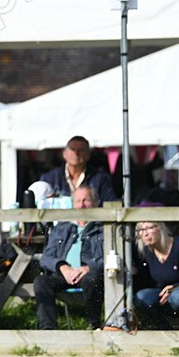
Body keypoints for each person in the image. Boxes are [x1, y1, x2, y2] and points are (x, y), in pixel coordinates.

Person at [33, 185, 105, 329]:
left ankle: (93, 325)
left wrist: (89, 267)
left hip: (89, 275)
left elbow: (111, 258)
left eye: (86, 200)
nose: (81, 205)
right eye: (77, 201)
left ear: (96, 203)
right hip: (64, 275)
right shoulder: (63, 226)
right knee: (41, 281)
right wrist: (62, 267)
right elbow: (46, 258)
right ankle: (48, 329)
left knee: (93, 278)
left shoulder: (103, 227)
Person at [39, 135, 117, 205]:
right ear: (64, 154)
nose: (76, 153)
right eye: (72, 149)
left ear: (88, 155)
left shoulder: (100, 178)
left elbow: (111, 203)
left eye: (81, 150)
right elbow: (39, 204)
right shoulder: (49, 178)